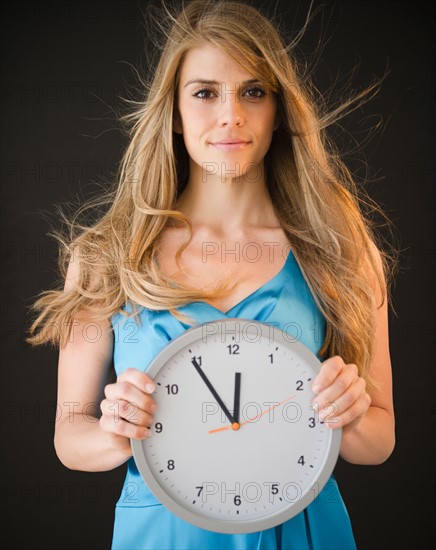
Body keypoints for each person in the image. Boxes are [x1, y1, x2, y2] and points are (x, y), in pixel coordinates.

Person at [27, 0, 398, 548]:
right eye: (204, 93)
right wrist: (114, 432)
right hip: (162, 533)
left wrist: (352, 410)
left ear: (279, 109)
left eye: (254, 91)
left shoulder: (340, 247)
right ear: (173, 112)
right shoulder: (105, 256)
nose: (231, 115)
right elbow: (68, 436)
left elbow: (381, 438)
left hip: (302, 530)